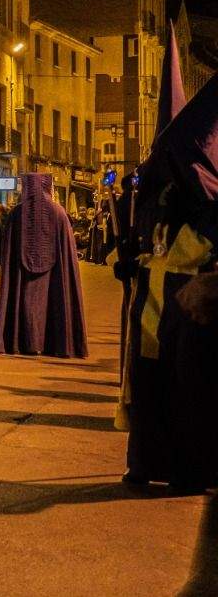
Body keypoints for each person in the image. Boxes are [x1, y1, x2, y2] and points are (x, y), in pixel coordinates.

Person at [119, 67, 217, 491]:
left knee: (187, 386)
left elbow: (202, 239)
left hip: (186, 298)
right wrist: (129, 259)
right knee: (147, 381)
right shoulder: (155, 189)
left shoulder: (205, 193)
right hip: (150, 299)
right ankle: (146, 461)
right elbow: (147, 234)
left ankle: (188, 470)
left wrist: (176, 257)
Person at [0, 174, 88, 358]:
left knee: (24, 298)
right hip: (53, 276)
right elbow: (68, 250)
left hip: (22, 277)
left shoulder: (16, 214)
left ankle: (22, 341)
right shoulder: (59, 213)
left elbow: (8, 249)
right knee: (55, 296)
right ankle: (55, 342)